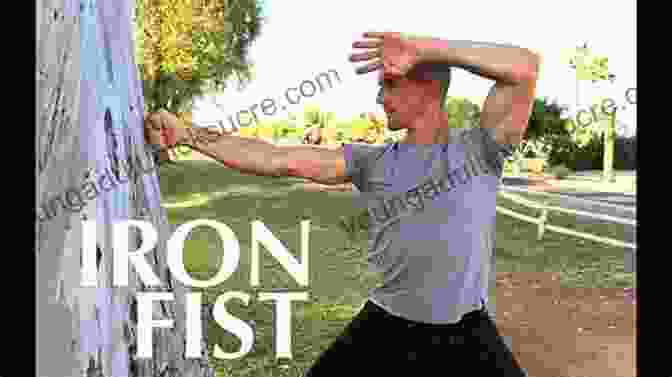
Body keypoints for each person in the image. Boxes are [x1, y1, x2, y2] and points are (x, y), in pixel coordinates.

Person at [144, 31, 539, 376]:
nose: (381, 96)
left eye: (390, 84)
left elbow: (525, 67)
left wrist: (427, 48)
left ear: (429, 87)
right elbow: (276, 158)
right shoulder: (372, 161)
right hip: (389, 326)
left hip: (465, 333)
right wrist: (187, 134)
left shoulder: (480, 150)